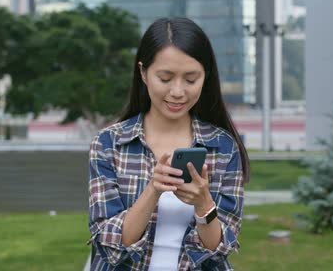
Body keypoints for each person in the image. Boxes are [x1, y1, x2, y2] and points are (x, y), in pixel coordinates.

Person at [87, 17, 250, 270]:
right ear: (143, 72)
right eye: (165, 78)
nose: (177, 91)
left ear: (205, 76)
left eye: (191, 79)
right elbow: (110, 244)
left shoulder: (222, 147)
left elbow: (220, 249)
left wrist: (204, 204)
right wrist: (153, 190)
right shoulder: (110, 143)